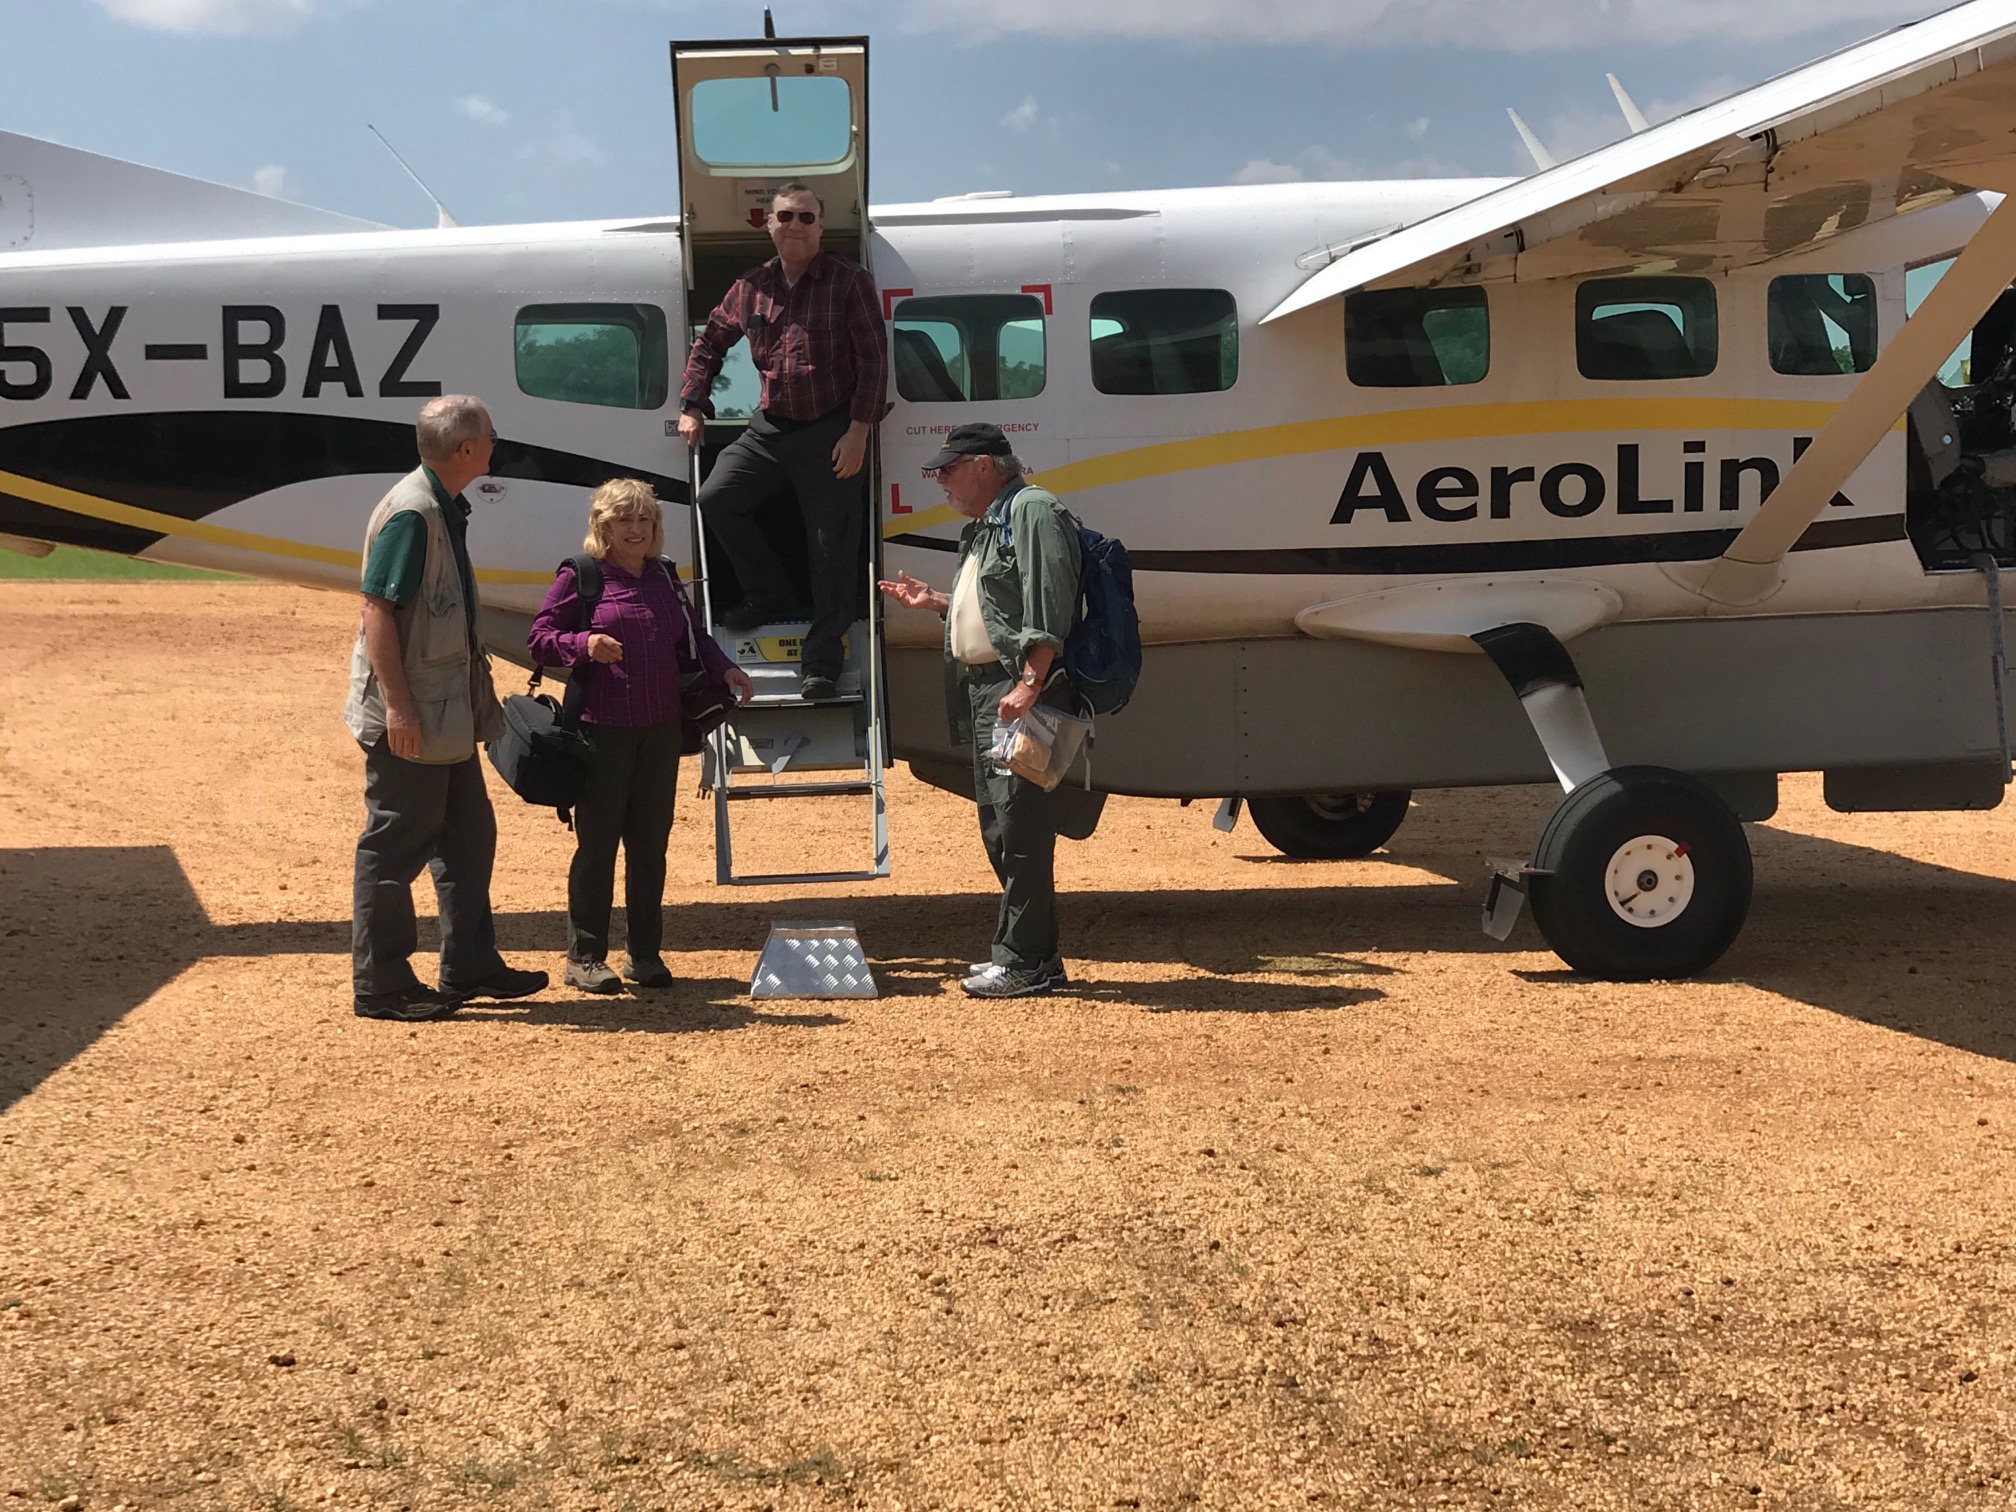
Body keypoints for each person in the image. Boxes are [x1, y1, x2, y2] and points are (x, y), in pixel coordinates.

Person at [344, 395, 549, 1021]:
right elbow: (376, 612)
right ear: (466, 449)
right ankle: (381, 984)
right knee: (395, 843)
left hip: (445, 715)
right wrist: (400, 711)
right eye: (489, 435)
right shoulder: (414, 512)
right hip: (415, 718)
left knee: (467, 837)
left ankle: (469, 963)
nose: (494, 443)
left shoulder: (440, 505)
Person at [878, 423, 1082, 998]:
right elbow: (1000, 609)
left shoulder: (1032, 512)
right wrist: (939, 603)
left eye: (948, 469)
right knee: (1001, 826)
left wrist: (1029, 682)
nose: (940, 480)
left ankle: (1023, 960)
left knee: (1020, 827)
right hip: (992, 690)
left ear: (985, 465)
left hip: (1017, 692)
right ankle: (1038, 959)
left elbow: (1050, 603)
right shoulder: (990, 523)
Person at [527, 479, 755, 993]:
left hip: (660, 733)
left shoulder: (665, 576)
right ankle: (585, 957)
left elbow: (695, 636)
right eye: (624, 520)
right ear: (602, 526)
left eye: (644, 519)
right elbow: (539, 639)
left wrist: (726, 671)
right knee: (598, 846)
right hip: (600, 734)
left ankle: (645, 956)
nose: (635, 529)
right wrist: (585, 644)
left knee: (651, 847)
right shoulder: (580, 575)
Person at [677, 181, 889, 702]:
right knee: (717, 497)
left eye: (806, 217)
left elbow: (874, 361)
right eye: (785, 216)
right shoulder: (749, 287)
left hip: (831, 429)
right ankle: (767, 596)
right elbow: (709, 343)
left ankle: (822, 663)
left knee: (830, 548)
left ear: (821, 226)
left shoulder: (849, 281)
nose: (795, 225)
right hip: (770, 428)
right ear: (767, 224)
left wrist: (859, 431)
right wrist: (692, 405)